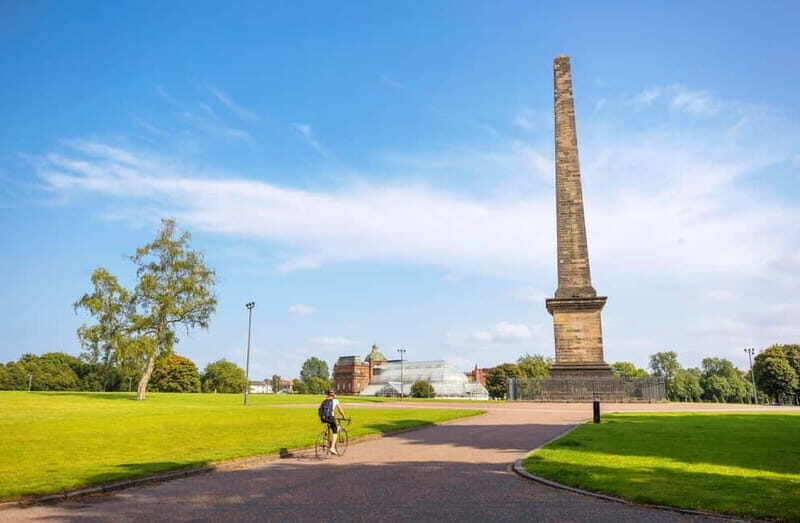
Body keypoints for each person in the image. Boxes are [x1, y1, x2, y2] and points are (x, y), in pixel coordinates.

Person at [319, 390, 347, 455]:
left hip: (323, 418)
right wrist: (344, 416)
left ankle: (328, 442)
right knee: (335, 431)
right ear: (334, 394)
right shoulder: (335, 401)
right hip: (330, 417)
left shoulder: (324, 401)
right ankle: (332, 448)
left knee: (330, 430)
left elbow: (320, 409)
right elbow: (340, 410)